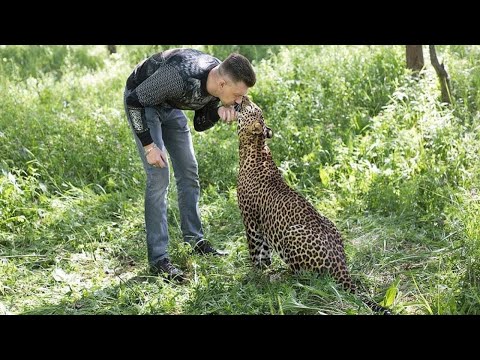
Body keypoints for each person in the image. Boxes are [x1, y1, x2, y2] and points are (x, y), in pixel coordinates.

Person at [123, 48, 256, 281]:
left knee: (188, 171)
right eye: (237, 96)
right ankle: (158, 260)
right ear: (223, 84)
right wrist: (149, 147)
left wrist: (218, 112)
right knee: (159, 178)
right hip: (143, 104)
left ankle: (195, 241)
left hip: (169, 106)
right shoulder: (179, 75)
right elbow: (134, 101)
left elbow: (200, 123)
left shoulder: (217, 82)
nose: (239, 102)